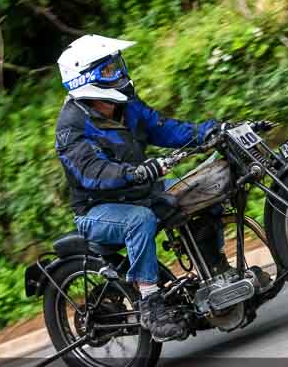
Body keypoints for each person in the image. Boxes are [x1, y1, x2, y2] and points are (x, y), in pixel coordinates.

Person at [54, 34, 224, 342]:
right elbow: (93, 172)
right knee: (138, 220)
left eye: (116, 66)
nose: (118, 72)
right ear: (85, 79)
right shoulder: (71, 125)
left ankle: (215, 272)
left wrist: (205, 132)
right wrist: (133, 173)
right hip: (97, 211)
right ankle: (151, 304)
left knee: (205, 188)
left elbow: (163, 128)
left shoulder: (125, 105)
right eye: (108, 70)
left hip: (141, 192)